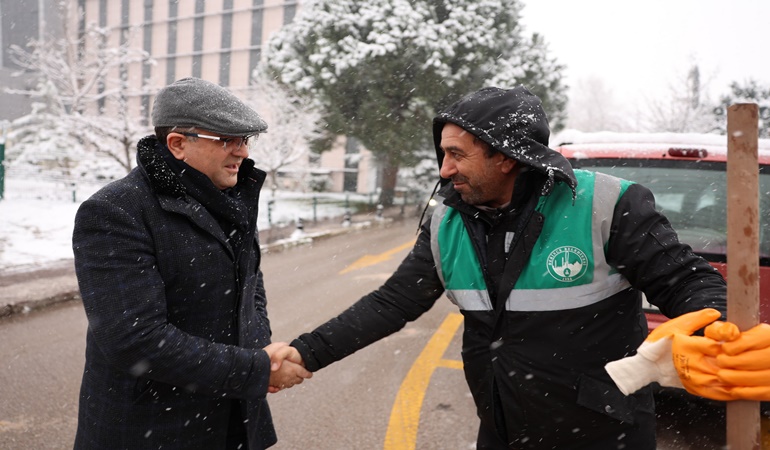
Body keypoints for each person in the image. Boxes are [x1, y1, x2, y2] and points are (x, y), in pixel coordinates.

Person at [288, 86, 729, 449]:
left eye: (457, 154)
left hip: (602, 432)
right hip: (502, 429)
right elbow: (392, 302)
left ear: (506, 156)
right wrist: (306, 353)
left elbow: (687, 281)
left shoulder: (607, 204)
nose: (445, 170)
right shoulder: (448, 223)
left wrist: (717, 330)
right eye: (443, 154)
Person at [72, 77, 310, 450]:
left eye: (245, 139)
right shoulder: (115, 211)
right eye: (227, 140)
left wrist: (260, 352)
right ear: (178, 144)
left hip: (235, 418)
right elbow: (134, 339)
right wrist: (254, 368)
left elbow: (251, 288)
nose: (242, 152)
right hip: (153, 429)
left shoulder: (230, 201)